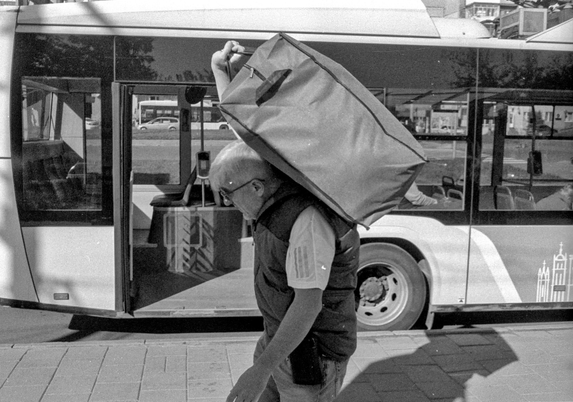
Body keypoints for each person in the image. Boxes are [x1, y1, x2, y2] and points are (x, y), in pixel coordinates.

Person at [210, 41, 360, 402]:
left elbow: (308, 304)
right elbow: (246, 137)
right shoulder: (273, 180)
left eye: (227, 194)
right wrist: (219, 69)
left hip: (310, 354)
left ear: (258, 187)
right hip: (280, 340)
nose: (227, 204)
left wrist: (259, 371)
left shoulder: (306, 221)